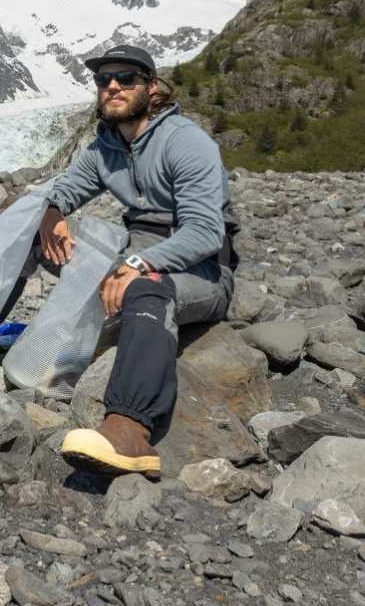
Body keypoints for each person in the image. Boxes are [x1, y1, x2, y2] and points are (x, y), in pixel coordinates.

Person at [43, 44, 239, 479]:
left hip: (202, 268)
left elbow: (206, 233)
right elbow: (65, 188)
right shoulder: (107, 147)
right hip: (140, 253)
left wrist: (136, 262)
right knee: (42, 240)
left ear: (151, 87)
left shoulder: (185, 142)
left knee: (146, 288)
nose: (112, 86)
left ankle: (129, 430)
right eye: (103, 79)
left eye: (126, 78)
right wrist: (52, 211)